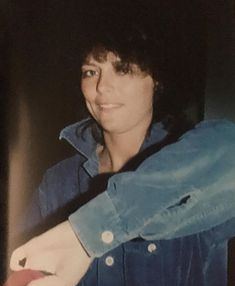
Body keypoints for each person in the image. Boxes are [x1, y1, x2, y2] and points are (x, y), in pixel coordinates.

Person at [9, 2, 235, 286]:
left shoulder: (201, 167)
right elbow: (24, 272)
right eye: (91, 71)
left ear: (158, 80)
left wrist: (88, 233)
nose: (102, 87)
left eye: (123, 68)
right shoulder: (58, 183)